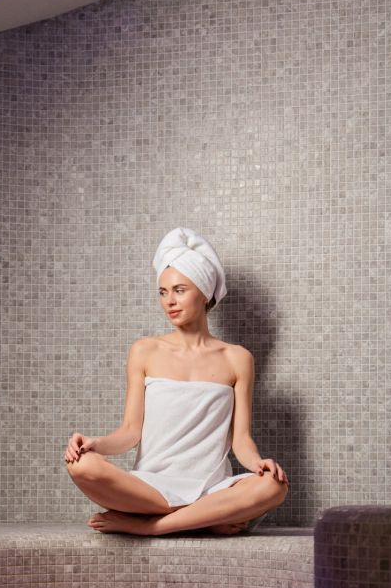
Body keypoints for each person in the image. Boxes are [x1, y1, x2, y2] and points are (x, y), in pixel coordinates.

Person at [65, 226, 290, 535]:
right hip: (152, 486)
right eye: (163, 292)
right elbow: (130, 432)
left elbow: (241, 440)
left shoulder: (238, 358)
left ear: (204, 293)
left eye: (180, 290)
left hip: (211, 488)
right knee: (83, 465)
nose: (169, 301)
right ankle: (204, 518)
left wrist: (257, 463)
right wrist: (96, 444)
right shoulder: (144, 351)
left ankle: (152, 526)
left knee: (274, 486)